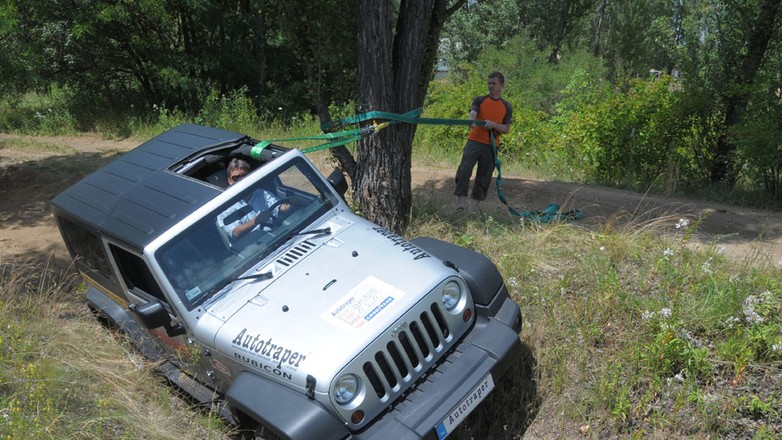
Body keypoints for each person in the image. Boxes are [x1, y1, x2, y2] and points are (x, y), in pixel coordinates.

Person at [454, 71, 513, 213]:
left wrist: (493, 125)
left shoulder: (506, 106)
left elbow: (506, 129)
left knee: (484, 177)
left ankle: (472, 210)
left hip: (491, 146)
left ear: (502, 85)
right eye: (489, 83)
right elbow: (472, 114)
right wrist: (471, 121)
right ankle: (461, 206)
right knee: (464, 171)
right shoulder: (480, 100)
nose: (490, 86)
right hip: (474, 141)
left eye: (494, 83)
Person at [217, 158, 291, 240]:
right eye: (236, 178)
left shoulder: (261, 193)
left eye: (245, 176)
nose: (241, 181)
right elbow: (235, 232)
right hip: (249, 245)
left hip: (273, 234)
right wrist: (255, 221)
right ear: (230, 181)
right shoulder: (224, 206)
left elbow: (279, 207)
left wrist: (290, 204)